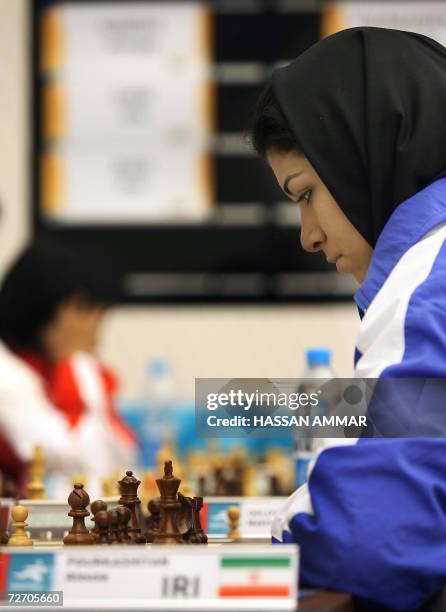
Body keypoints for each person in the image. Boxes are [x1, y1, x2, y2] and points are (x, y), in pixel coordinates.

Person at [251, 27, 446, 610]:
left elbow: (365, 535)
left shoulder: (430, 279)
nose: (308, 237)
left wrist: (282, 525)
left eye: (306, 193)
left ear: (362, 152)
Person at [0, 241, 136, 497]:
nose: (98, 327)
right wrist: (76, 363)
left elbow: (123, 455)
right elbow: (83, 461)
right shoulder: (7, 375)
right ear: (61, 309)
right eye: (90, 310)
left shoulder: (49, 370)